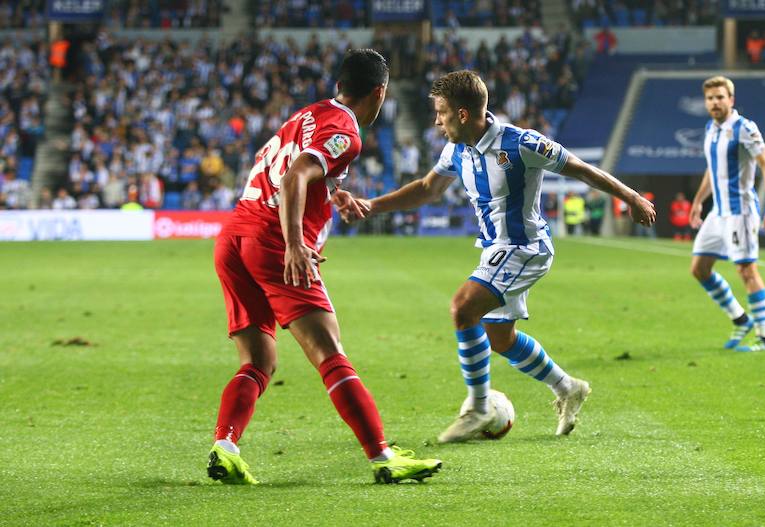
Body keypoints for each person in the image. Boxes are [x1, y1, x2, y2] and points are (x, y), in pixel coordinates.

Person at [339, 70, 655, 443]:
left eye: (441, 113)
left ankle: (478, 407)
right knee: (499, 339)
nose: (437, 121)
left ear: (461, 114)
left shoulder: (522, 143)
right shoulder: (456, 149)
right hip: (495, 249)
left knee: (462, 308)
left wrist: (632, 197)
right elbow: (427, 188)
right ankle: (568, 387)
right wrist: (370, 206)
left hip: (525, 247)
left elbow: (582, 170)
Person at [208, 49, 441, 485]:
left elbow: (296, 169)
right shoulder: (348, 133)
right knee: (329, 352)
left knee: (258, 359)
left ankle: (226, 446)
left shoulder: (306, 116)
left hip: (234, 238)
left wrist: (335, 194)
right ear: (380, 92)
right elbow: (295, 176)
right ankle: (383, 456)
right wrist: (295, 243)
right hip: (273, 241)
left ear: (339, 85)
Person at [689, 76, 765, 353]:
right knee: (699, 269)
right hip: (718, 212)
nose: (715, 102)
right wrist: (697, 201)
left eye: (720, 97)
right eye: (710, 98)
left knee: (746, 270)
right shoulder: (710, 128)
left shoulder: (744, 128)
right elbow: (712, 169)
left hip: (740, 211)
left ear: (731, 99)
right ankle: (741, 320)